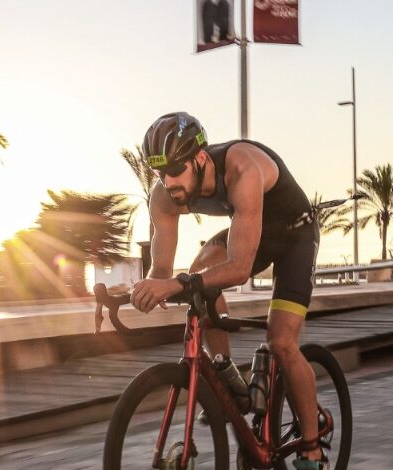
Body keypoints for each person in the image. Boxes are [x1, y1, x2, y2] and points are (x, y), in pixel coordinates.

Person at [130, 112, 327, 469]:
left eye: (175, 169)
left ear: (200, 158)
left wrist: (175, 283)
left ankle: (312, 448)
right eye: (160, 173)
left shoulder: (242, 168)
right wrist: (145, 288)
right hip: (252, 233)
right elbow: (161, 271)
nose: (168, 181)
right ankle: (226, 375)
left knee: (281, 341)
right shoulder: (164, 196)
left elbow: (237, 269)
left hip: (295, 235)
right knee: (196, 279)